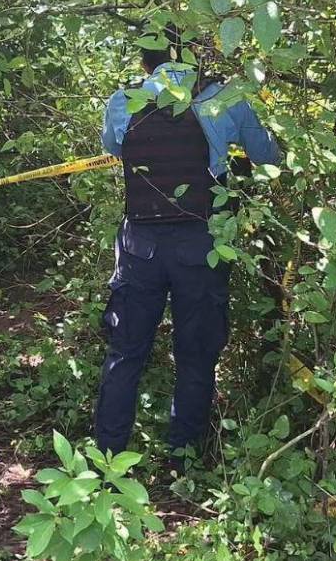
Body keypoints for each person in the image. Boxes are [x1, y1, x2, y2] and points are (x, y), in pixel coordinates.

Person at [96, 35, 280, 464]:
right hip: (203, 241)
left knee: (125, 352)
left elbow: (113, 148)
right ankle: (183, 458)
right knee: (197, 352)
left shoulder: (124, 101)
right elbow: (267, 155)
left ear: (146, 61)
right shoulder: (225, 98)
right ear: (195, 54)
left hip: (140, 243)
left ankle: (107, 462)